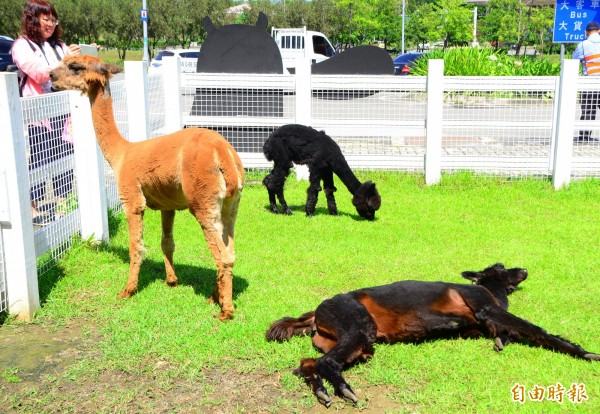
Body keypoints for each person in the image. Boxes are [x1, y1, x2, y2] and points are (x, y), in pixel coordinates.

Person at [11, 0, 81, 225]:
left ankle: (63, 205)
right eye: (46, 19)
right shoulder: (22, 46)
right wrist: (65, 60)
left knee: (65, 156)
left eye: (53, 19)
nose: (51, 24)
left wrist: (75, 59)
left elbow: (69, 73)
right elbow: (40, 74)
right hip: (38, 115)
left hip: (63, 111)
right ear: (33, 19)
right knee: (40, 159)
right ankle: (33, 208)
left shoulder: (58, 45)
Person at [572, 20, 600, 142]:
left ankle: (584, 137)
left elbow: (574, 59)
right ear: (599, 31)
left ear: (586, 32)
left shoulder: (583, 45)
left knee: (588, 110)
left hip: (589, 84)